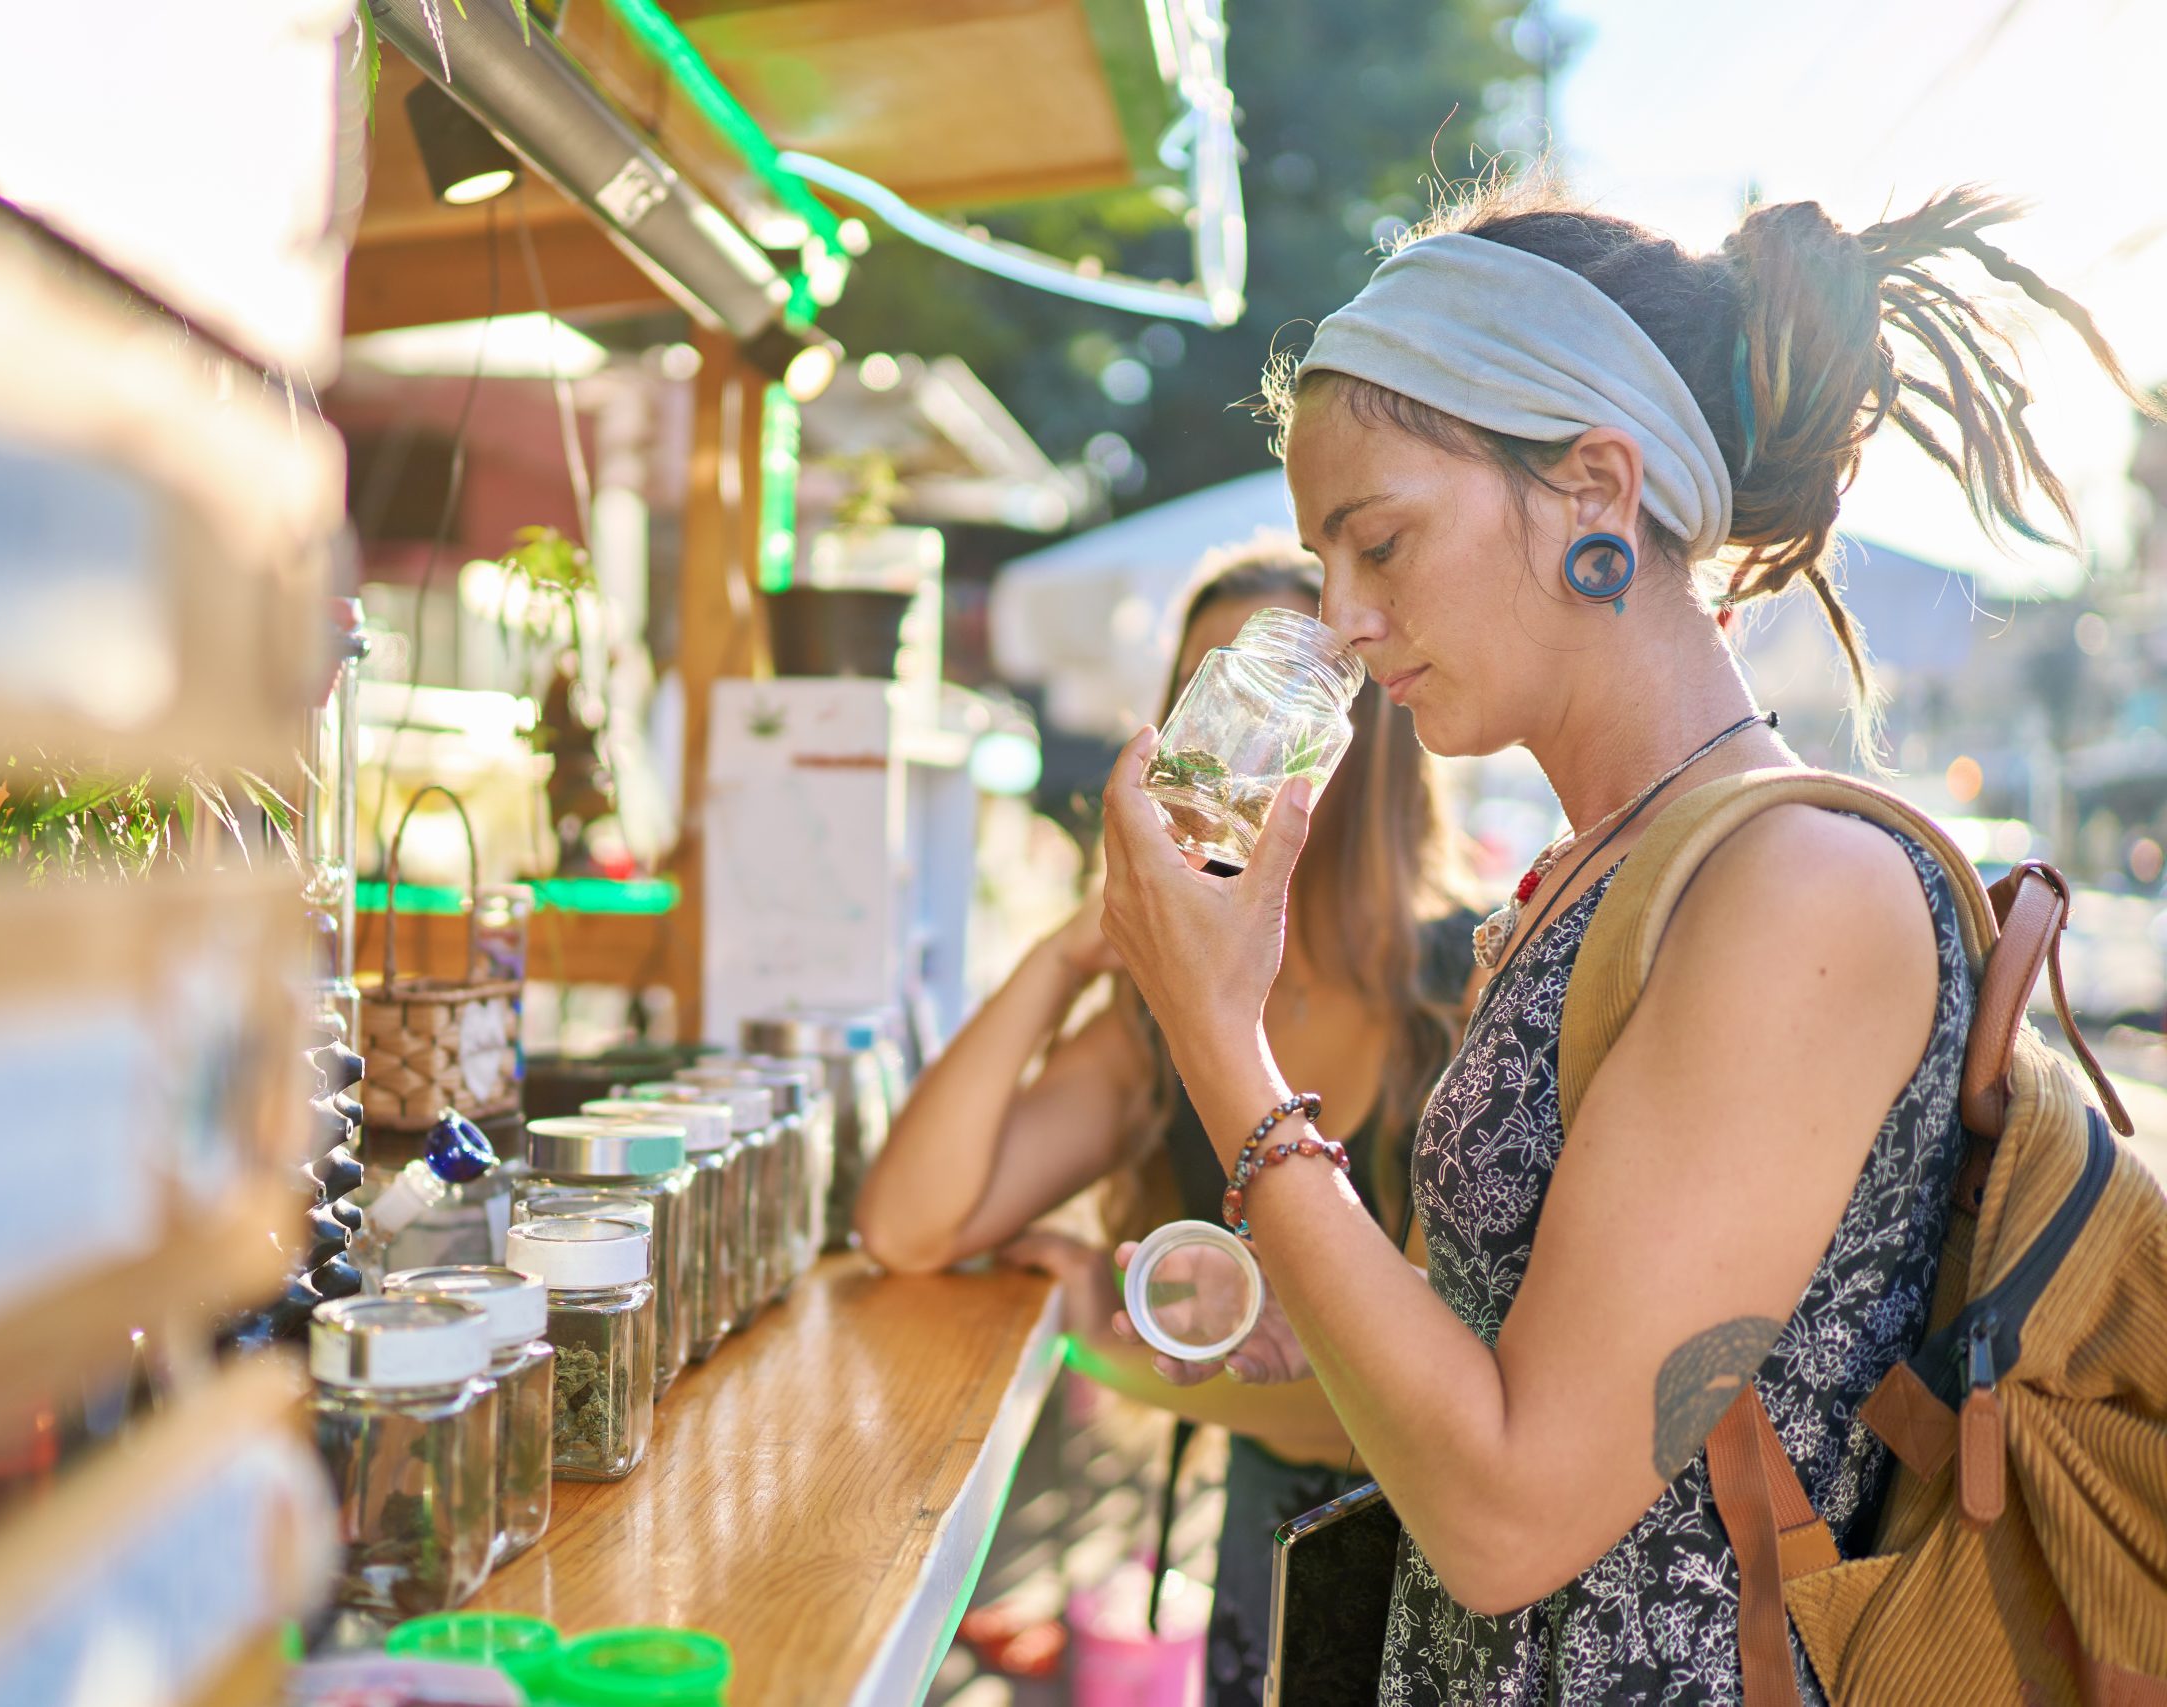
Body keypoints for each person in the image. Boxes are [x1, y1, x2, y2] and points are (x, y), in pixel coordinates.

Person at [1094, 178, 2158, 1700]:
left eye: (1377, 541)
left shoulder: (1801, 892)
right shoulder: (1602, 874)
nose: (1340, 616)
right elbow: (1511, 1354)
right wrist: (1300, 1319)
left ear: (1597, 486)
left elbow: (1514, 1511)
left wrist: (1217, 1034)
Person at [855, 539, 1480, 1703]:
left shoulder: (1468, 986)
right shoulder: (1156, 1022)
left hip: (1446, 1564)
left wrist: (1118, 1349)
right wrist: (1070, 948)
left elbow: (1419, 1393)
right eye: (1218, 697)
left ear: (1361, 743)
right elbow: (909, 1225)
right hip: (1267, 1530)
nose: (1237, 753)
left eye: (1286, 711)